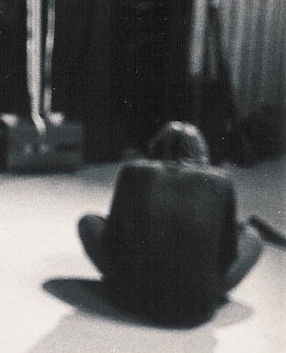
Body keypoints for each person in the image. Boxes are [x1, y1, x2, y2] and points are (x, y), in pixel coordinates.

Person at [78, 121, 264, 325]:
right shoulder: (221, 180)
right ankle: (195, 289)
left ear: (154, 149)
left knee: (88, 221)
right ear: (202, 153)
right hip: (196, 309)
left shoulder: (132, 171)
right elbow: (227, 255)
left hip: (128, 296)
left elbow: (113, 240)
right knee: (253, 237)